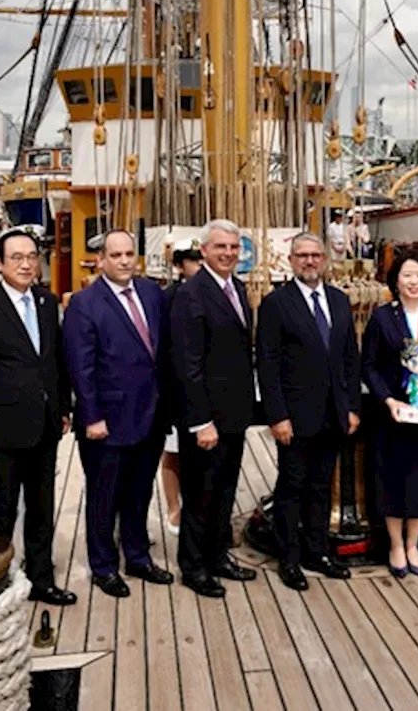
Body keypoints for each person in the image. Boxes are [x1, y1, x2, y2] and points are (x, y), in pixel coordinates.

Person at [0, 226, 76, 606]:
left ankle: (40, 578)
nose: (27, 264)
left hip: (44, 424)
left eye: (32, 257)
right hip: (4, 429)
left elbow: (55, 362)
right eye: (17, 258)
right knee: (1, 512)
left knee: (42, 509)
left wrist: (63, 407)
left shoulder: (46, 304)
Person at [63, 230, 175, 598]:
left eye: (129, 254)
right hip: (106, 420)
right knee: (103, 496)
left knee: (140, 492)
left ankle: (138, 557)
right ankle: (104, 566)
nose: (125, 261)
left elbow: (162, 352)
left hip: (150, 414)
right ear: (101, 260)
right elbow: (81, 367)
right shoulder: (84, 304)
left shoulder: (152, 294)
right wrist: (92, 417)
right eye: (116, 255)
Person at [257, 233, 361, 590]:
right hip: (295, 416)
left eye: (315, 255)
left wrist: (351, 408)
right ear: (291, 260)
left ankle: (316, 552)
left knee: (320, 487)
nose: (310, 261)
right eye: (302, 255)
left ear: (325, 259)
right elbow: (267, 366)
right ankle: (289, 558)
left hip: (333, 414)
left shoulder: (339, 301)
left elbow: (349, 359)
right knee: (292, 486)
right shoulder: (276, 304)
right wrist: (277, 416)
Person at [169, 219, 257, 598]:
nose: (228, 254)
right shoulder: (192, 294)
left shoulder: (236, 288)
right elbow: (187, 363)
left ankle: (218, 555)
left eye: (234, 248)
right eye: (220, 247)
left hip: (234, 412)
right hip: (205, 417)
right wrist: (200, 419)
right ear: (203, 251)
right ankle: (194, 566)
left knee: (224, 490)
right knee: (200, 493)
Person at [362, 249, 418, 577]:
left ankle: (413, 543)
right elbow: (369, 366)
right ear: (395, 281)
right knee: (391, 477)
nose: (414, 282)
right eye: (407, 275)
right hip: (392, 415)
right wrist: (388, 400)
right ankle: (395, 545)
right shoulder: (382, 317)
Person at [161, 239, 203, 534]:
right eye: (193, 260)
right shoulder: (169, 297)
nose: (199, 265)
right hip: (175, 389)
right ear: (179, 265)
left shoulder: (216, 293)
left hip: (206, 390)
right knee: (173, 453)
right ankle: (174, 508)